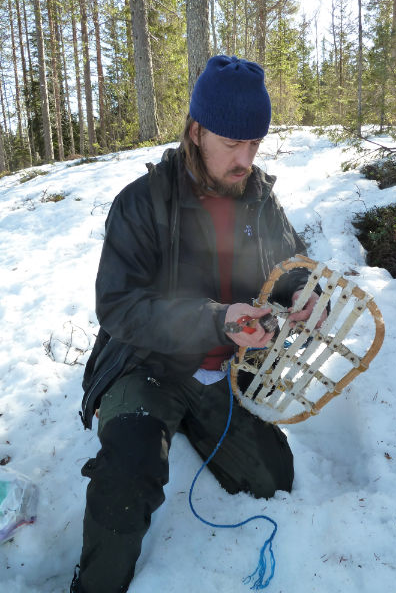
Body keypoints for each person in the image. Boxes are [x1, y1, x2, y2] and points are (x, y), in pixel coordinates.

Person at [71, 55, 325, 593]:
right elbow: (118, 307)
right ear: (196, 130)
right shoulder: (142, 203)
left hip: (221, 371)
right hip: (146, 363)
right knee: (127, 476)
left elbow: (291, 265)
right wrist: (217, 319)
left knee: (272, 477)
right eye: (233, 143)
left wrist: (306, 291)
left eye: (255, 143)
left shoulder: (259, 199)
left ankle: (194, 418)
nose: (246, 158)